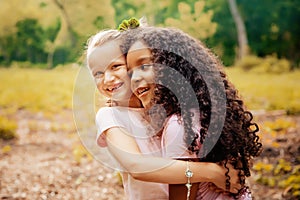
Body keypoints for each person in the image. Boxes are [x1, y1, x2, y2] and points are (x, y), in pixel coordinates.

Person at [86, 28, 242, 200]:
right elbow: (136, 166)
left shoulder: (165, 109)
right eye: (98, 74)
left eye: (116, 66)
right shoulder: (110, 116)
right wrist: (212, 172)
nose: (107, 79)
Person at [120, 23, 263, 199]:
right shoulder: (202, 114)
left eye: (144, 66)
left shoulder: (179, 126)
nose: (135, 78)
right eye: (130, 73)